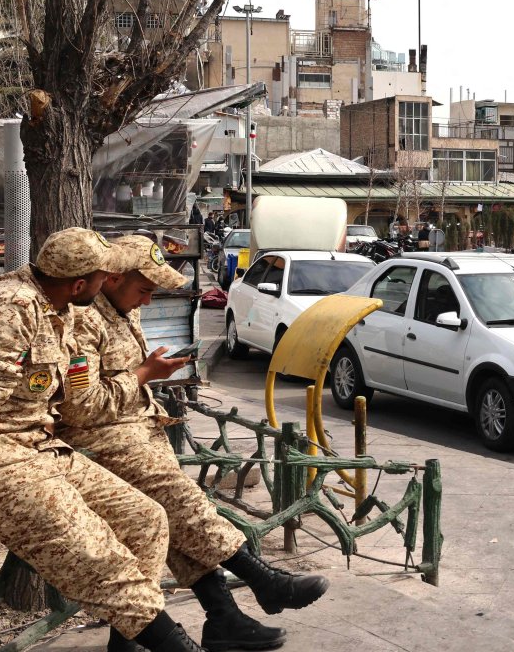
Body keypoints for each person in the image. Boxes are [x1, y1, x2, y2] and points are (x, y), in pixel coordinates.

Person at [0, 228, 199, 651]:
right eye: (105, 277)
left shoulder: (57, 304)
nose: (110, 283)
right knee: (104, 560)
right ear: (79, 283)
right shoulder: (10, 311)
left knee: (146, 521)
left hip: (37, 444)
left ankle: (130, 642)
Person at [55, 236, 327, 652]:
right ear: (110, 279)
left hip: (134, 432)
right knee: (183, 503)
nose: (147, 302)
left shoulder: (121, 311)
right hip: (98, 441)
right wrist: (144, 374)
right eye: (143, 290)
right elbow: (81, 407)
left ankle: (224, 617)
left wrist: (150, 372)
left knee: (178, 516)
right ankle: (262, 581)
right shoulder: (84, 321)